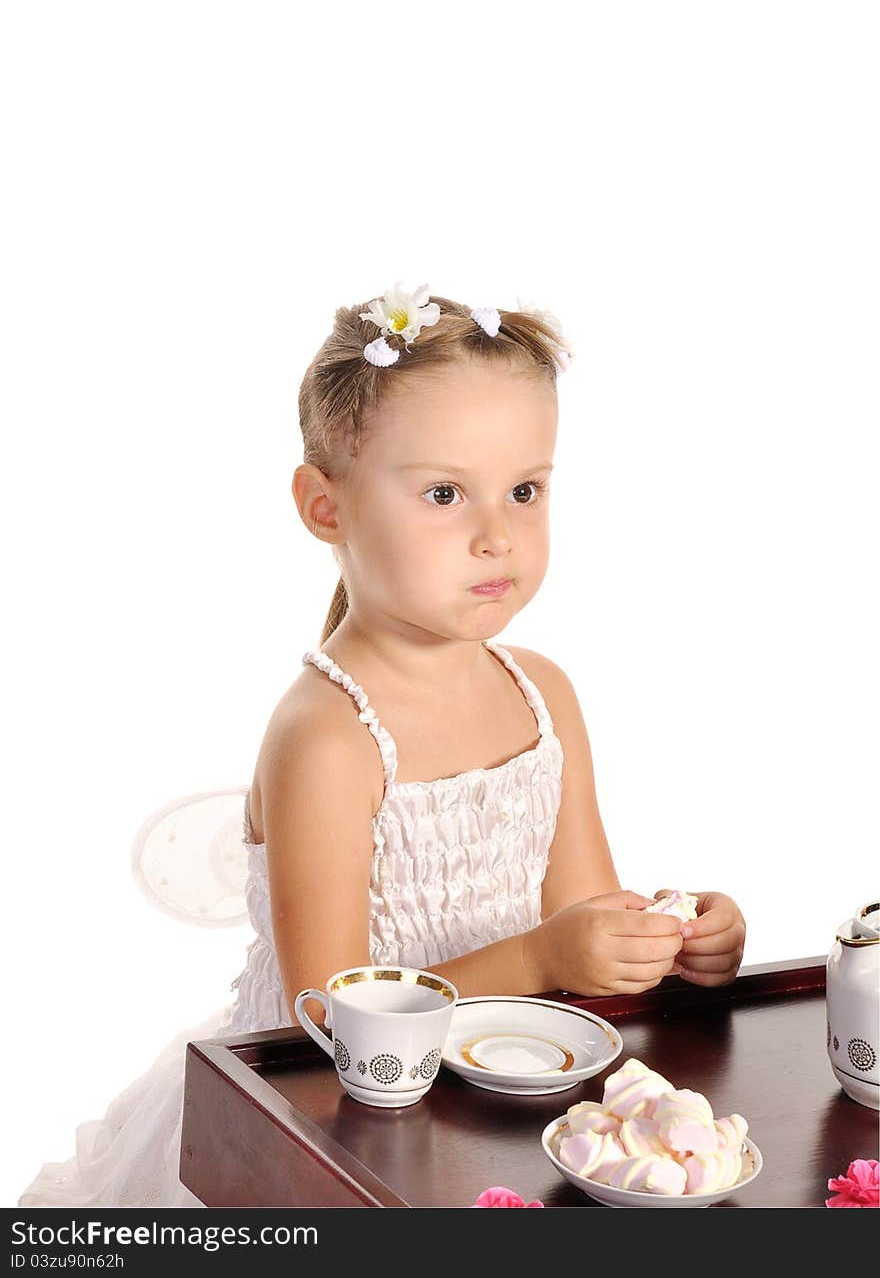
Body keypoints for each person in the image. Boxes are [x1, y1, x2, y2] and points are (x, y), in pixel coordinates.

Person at [17, 283, 746, 1208]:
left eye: (525, 489)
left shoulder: (543, 694)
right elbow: (325, 1013)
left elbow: (584, 915)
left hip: (491, 1096)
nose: (497, 533)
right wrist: (539, 961)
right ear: (325, 508)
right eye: (445, 493)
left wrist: (671, 941)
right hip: (320, 1118)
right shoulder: (327, 736)